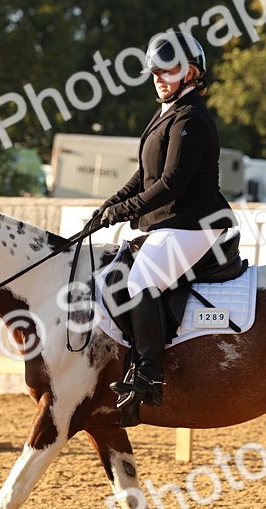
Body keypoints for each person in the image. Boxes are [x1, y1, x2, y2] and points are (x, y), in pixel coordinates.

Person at [92, 30, 237, 411]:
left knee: (141, 280)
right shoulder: (166, 114)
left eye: (167, 70)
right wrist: (106, 207)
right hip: (171, 223)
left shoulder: (192, 118)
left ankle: (150, 377)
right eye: (154, 71)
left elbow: (171, 184)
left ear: (190, 73)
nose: (157, 77)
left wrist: (122, 212)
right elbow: (143, 176)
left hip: (198, 223)